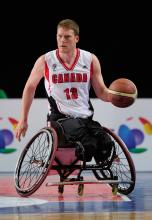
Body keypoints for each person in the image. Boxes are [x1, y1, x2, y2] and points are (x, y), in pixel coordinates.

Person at [15, 19, 114, 162]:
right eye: (59, 36)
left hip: (84, 118)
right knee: (89, 143)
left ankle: (105, 174)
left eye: (67, 37)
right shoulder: (46, 60)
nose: (62, 40)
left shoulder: (90, 59)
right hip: (60, 119)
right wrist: (23, 119)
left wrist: (117, 97)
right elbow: (29, 87)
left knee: (106, 142)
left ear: (76, 38)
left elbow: (102, 92)